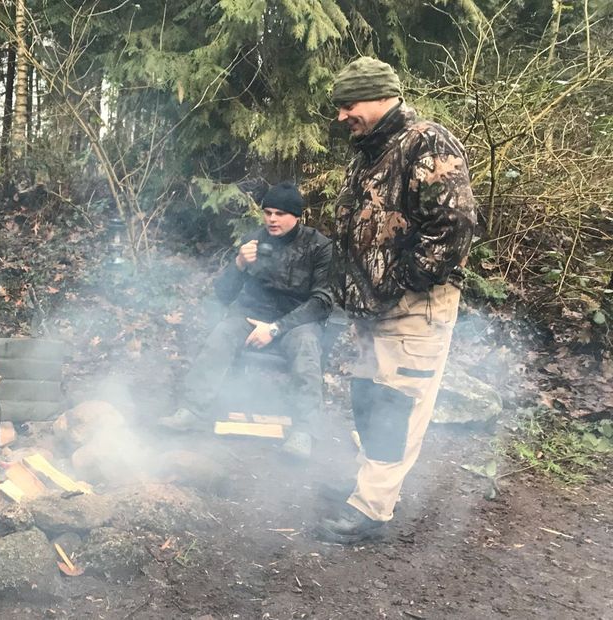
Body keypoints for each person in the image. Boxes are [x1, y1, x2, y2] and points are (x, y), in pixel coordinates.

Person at [319, 57, 476, 544]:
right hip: (376, 308)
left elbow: (454, 227)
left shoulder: (424, 141)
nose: (343, 115)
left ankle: (372, 512)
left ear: (381, 96)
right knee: (369, 400)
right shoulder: (369, 150)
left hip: (414, 306)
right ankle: (369, 488)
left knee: (394, 405)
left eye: (350, 105)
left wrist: (399, 280)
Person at [159, 182, 333, 459]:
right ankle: (191, 409)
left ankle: (304, 430)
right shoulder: (254, 240)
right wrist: (239, 263)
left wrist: (276, 329)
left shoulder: (318, 247)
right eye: (267, 212)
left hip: (295, 322)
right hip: (252, 315)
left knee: (307, 346)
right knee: (223, 332)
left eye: (279, 213)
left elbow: (322, 301)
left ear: (297, 216)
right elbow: (223, 294)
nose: (272, 219)